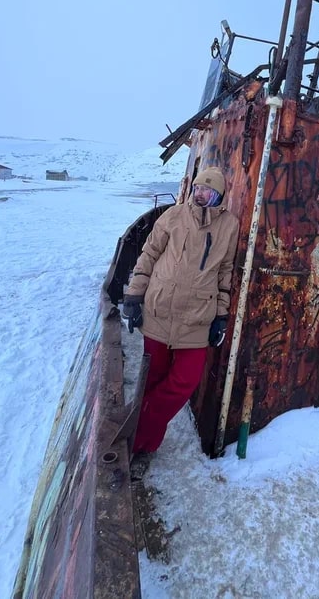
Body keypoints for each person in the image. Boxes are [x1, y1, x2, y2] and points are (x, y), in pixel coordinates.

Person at [122, 166, 239, 460]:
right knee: (153, 377)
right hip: (160, 307)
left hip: (198, 315)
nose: (200, 194)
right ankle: (143, 446)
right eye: (198, 188)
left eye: (208, 191)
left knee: (184, 381)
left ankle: (139, 423)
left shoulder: (229, 225)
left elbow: (225, 272)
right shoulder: (172, 216)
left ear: (219, 196)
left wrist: (221, 315)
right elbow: (148, 254)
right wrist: (134, 295)